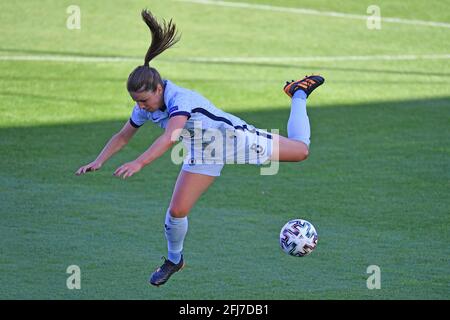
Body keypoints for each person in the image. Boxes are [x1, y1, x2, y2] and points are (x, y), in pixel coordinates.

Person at [75, 10, 324, 286]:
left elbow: (171, 137)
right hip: (203, 151)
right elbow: (123, 136)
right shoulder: (147, 107)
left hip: (233, 139)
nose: (141, 107)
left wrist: (139, 163)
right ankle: (174, 260)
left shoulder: (179, 100)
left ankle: (298, 92)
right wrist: (99, 160)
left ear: (158, 88)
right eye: (137, 102)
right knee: (177, 211)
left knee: (301, 151)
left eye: (144, 100)